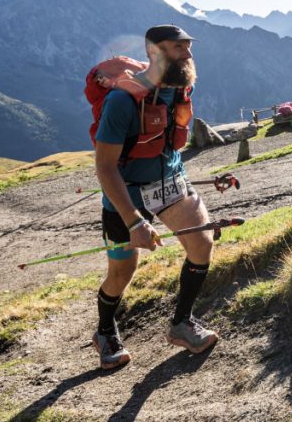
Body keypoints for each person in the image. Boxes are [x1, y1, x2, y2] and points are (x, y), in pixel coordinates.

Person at [91, 24, 228, 369]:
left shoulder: (182, 91)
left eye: (188, 47)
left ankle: (181, 324)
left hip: (172, 185)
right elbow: (106, 169)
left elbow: (168, 146)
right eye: (177, 48)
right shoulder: (122, 101)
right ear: (154, 51)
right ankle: (105, 331)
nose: (187, 54)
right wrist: (134, 221)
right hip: (126, 197)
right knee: (122, 273)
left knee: (202, 244)